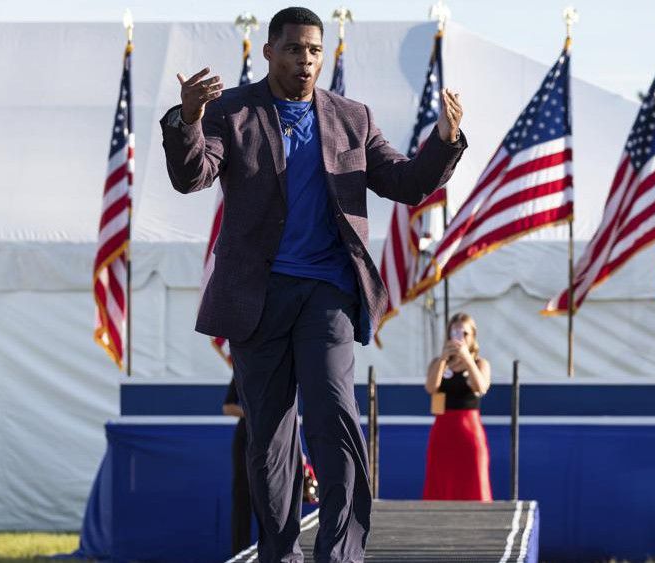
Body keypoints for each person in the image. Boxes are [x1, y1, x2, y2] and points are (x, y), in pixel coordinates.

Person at [160, 7, 467, 562]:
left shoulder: (352, 117)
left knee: (334, 415)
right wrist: (188, 119)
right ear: (269, 52)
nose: (306, 60)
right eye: (296, 49)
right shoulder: (232, 111)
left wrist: (445, 141)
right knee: (269, 441)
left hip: (327, 293)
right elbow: (191, 175)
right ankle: (280, 552)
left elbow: (404, 181)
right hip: (257, 298)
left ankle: (340, 551)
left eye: (315, 51)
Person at [422, 313, 493, 501]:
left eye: (464, 333)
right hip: (443, 429)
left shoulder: (480, 363)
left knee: (473, 481)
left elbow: (481, 387)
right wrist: (443, 359)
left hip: (469, 430)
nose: (459, 337)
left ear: (473, 337)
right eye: (454, 332)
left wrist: (467, 359)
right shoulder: (438, 362)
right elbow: (431, 387)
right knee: (440, 481)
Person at [222, 378, 253, 555]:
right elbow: (227, 407)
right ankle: (240, 552)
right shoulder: (242, 371)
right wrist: (252, 413)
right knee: (242, 496)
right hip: (246, 438)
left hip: (274, 435)